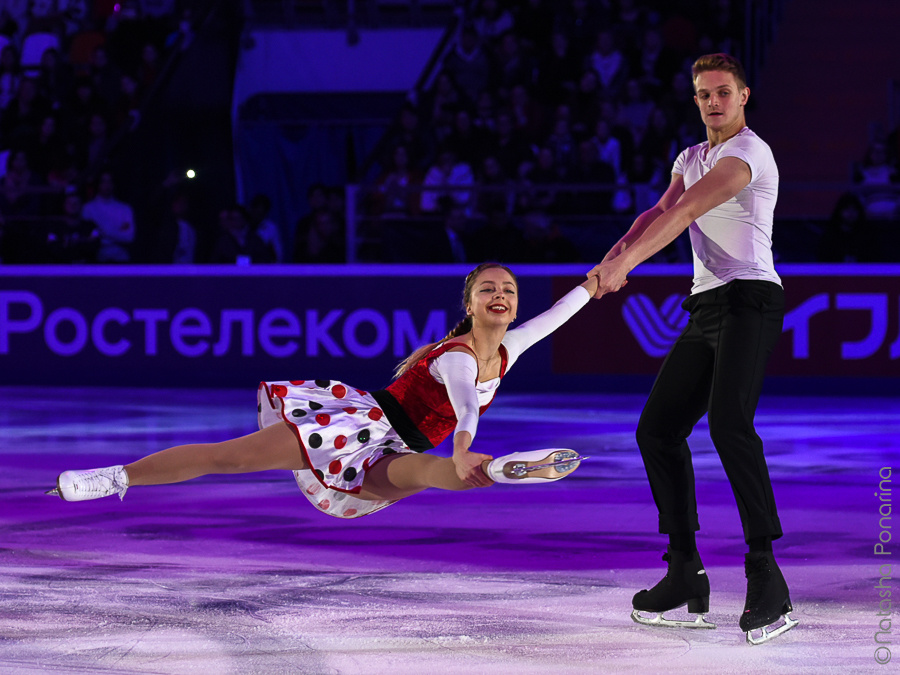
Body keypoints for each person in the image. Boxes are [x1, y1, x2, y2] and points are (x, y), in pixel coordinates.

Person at [48, 263, 600, 521]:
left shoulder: (511, 347)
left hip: (404, 449)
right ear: (470, 304)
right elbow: (464, 406)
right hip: (359, 427)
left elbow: (561, 312)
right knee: (230, 458)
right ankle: (115, 477)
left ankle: (501, 470)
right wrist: (462, 445)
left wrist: (602, 278)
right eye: (488, 288)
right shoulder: (456, 356)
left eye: (509, 289)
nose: (500, 294)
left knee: (433, 475)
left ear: (514, 304)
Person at [588, 53, 796, 645]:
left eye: (723, 92)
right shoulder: (690, 156)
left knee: (730, 425)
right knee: (657, 431)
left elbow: (685, 212)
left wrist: (626, 265)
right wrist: (611, 258)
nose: (713, 102)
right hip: (706, 306)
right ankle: (684, 569)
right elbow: (658, 209)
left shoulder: (749, 152)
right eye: (704, 93)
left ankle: (767, 574)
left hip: (751, 299)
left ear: (744, 96)